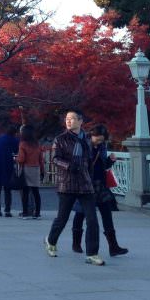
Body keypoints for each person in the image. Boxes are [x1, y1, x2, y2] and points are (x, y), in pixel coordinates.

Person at [44, 109, 104, 266]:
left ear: (80, 121)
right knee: (62, 219)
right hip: (67, 183)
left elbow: (91, 161)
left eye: (72, 118)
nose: (68, 121)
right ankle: (51, 241)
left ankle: (92, 253)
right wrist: (68, 165)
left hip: (85, 183)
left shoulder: (87, 140)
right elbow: (55, 159)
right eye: (66, 119)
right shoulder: (60, 139)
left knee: (92, 219)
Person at [70, 123, 128, 256]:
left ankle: (113, 246)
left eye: (102, 139)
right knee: (81, 213)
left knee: (107, 213)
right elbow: (77, 164)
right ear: (92, 135)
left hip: (100, 184)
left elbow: (103, 165)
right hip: (86, 184)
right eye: (98, 138)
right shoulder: (83, 145)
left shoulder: (102, 147)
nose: (100, 141)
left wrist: (110, 160)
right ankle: (76, 242)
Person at [15, 123, 45, 219]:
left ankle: (25, 213)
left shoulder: (23, 144)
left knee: (25, 192)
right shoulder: (37, 144)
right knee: (36, 192)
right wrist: (42, 171)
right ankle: (37, 213)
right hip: (36, 169)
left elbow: (21, 159)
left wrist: (15, 159)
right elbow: (41, 159)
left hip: (26, 169)